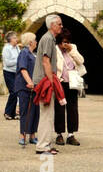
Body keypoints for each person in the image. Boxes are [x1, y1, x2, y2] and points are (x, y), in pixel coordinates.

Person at [31, 15, 65, 155]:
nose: (61, 26)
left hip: (44, 80)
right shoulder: (48, 38)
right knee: (46, 114)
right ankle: (43, 146)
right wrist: (51, 82)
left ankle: (47, 143)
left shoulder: (50, 38)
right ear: (52, 25)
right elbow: (46, 61)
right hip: (44, 82)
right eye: (59, 24)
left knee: (49, 114)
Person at [53, 31, 85, 145]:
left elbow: (81, 61)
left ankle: (71, 134)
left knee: (72, 108)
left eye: (67, 41)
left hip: (72, 83)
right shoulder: (55, 49)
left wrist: (71, 50)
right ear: (59, 41)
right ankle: (59, 134)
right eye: (64, 42)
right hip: (60, 82)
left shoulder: (72, 48)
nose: (65, 44)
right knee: (59, 109)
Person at [15, 32, 37, 147]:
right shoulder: (24, 53)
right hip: (25, 87)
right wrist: (30, 82)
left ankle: (32, 135)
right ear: (30, 42)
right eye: (35, 40)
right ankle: (22, 135)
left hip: (34, 88)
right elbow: (23, 69)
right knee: (25, 111)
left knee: (34, 112)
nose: (36, 42)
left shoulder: (34, 54)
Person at [2, 32, 20, 120]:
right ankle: (7, 112)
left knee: (17, 92)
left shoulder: (17, 48)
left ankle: (13, 113)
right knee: (13, 92)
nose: (17, 39)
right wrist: (18, 60)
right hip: (8, 73)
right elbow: (8, 63)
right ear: (10, 39)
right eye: (15, 38)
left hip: (16, 72)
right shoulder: (6, 49)